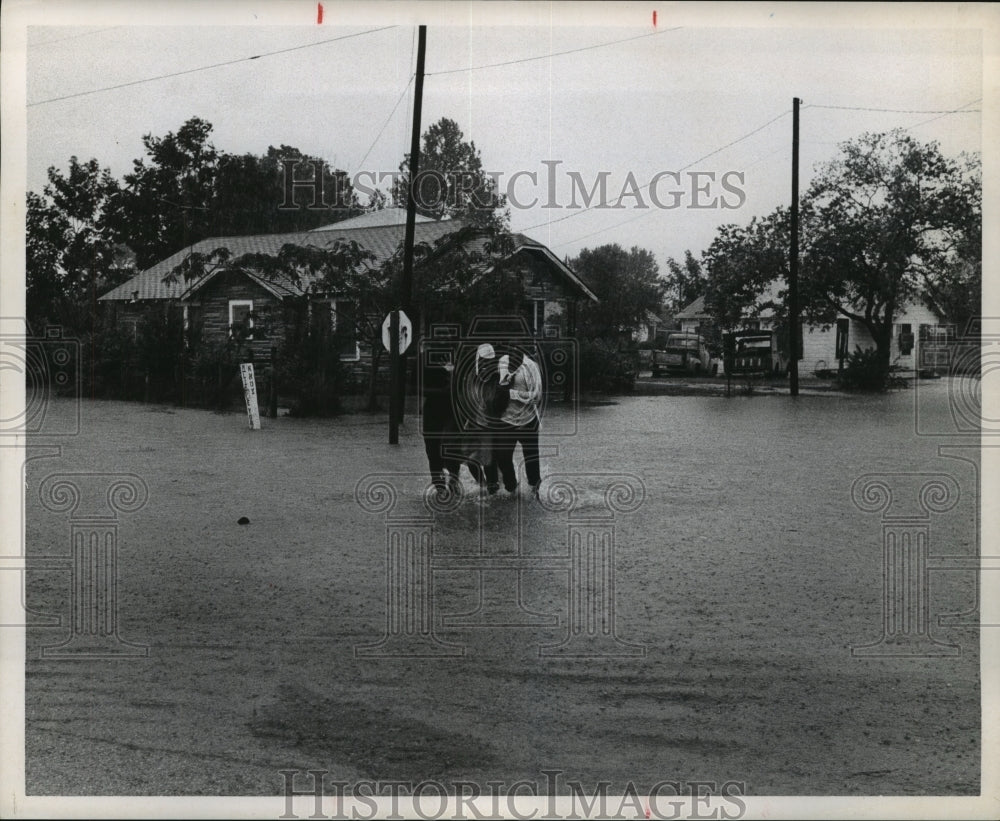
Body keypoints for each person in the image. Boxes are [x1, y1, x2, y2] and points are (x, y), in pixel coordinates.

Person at [493, 344, 543, 496]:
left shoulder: (531, 367)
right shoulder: (503, 361)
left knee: (531, 457)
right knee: (502, 456)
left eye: (515, 351)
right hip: (507, 419)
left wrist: (512, 393)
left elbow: (537, 395)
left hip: (527, 420)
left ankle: (535, 491)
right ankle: (512, 488)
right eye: (509, 350)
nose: (511, 353)